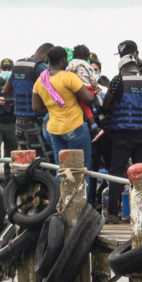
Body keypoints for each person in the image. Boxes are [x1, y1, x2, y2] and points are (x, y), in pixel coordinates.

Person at [101, 53, 142, 223]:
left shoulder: (118, 80)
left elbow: (106, 106)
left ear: (122, 69)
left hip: (123, 133)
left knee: (117, 172)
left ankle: (113, 213)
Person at [31, 46, 95, 182]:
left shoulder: (40, 81)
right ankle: (82, 197)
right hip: (75, 128)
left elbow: (36, 107)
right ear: (63, 60)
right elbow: (89, 98)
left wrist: (54, 107)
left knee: (62, 170)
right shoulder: (69, 77)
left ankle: (58, 194)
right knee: (81, 170)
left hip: (55, 131)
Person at [5, 43, 54, 162]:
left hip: (19, 123)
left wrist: (22, 93)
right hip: (36, 122)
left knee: (27, 160)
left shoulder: (18, 64)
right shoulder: (40, 67)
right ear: (47, 56)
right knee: (46, 159)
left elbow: (6, 90)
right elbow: (54, 88)